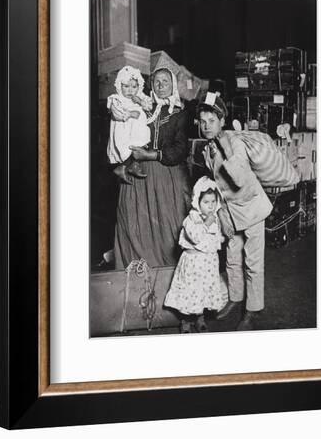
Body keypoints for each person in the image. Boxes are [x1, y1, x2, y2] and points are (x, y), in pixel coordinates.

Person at [197, 92, 273, 330]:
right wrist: (221, 215)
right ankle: (235, 298)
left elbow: (238, 178)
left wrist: (227, 148)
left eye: (212, 121)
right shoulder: (207, 147)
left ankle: (252, 310)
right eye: (202, 121)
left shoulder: (233, 142)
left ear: (222, 121)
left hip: (251, 208)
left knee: (253, 262)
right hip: (230, 211)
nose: (206, 126)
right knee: (231, 259)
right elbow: (217, 186)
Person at [113, 66, 191, 269]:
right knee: (134, 222)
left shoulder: (180, 114)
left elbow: (181, 150)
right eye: (156, 81)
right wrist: (127, 162)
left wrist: (151, 154)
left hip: (165, 174)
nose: (160, 85)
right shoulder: (141, 108)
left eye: (165, 81)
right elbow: (122, 132)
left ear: (173, 85)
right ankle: (136, 273)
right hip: (138, 173)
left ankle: (168, 274)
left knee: (167, 227)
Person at [164, 176, 225, 333]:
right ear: (197, 202)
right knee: (189, 291)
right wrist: (207, 223)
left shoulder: (215, 218)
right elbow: (195, 236)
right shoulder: (192, 218)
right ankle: (185, 320)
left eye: (213, 202)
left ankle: (200, 317)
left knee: (203, 290)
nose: (210, 206)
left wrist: (220, 237)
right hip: (193, 263)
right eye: (206, 202)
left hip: (208, 263)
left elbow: (216, 238)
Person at [107, 65, 153, 183]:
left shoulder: (140, 96)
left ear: (139, 86)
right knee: (126, 147)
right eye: (126, 86)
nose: (130, 90)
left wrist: (140, 101)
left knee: (140, 144)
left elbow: (149, 107)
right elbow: (116, 114)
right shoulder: (117, 99)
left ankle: (133, 165)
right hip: (124, 129)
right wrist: (131, 114)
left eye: (134, 86)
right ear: (119, 86)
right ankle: (122, 166)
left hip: (137, 130)